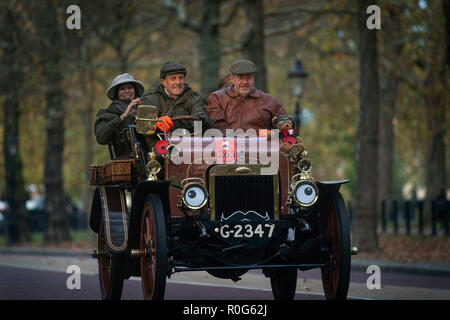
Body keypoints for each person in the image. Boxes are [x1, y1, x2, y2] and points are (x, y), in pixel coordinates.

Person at [206, 59, 287, 131]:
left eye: (248, 78)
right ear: (232, 79)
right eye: (240, 78)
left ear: (253, 79)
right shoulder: (217, 98)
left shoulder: (269, 101)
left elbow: (286, 125)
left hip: (260, 146)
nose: (245, 82)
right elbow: (218, 126)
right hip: (227, 146)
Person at [138, 62, 211, 133]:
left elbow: (200, 116)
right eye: (173, 79)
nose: (178, 82)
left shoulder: (195, 98)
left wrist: (202, 119)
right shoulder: (149, 99)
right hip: (159, 143)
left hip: (189, 141)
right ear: (164, 82)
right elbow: (143, 128)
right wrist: (156, 124)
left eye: (181, 78)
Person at [94, 73, 144, 146]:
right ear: (116, 93)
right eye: (122, 89)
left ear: (135, 90)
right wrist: (123, 116)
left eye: (130, 87)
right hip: (127, 156)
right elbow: (101, 138)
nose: (127, 91)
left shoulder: (144, 107)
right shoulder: (108, 114)